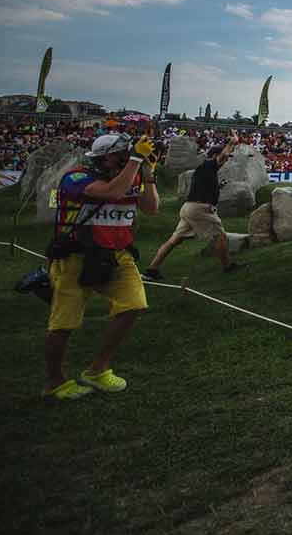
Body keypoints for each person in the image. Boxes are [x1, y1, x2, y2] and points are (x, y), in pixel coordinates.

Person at [42, 133, 160, 400]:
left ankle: (98, 369)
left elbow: (151, 207)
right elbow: (111, 192)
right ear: (107, 156)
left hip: (118, 255)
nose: (126, 158)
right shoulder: (76, 177)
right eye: (122, 154)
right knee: (63, 324)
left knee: (134, 306)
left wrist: (148, 172)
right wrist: (133, 161)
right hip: (75, 257)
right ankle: (55, 382)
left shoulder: (131, 174)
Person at [144, 139, 240, 279]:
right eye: (223, 158)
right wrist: (232, 142)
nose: (226, 161)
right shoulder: (209, 165)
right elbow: (223, 156)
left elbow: (204, 188)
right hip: (200, 209)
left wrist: (218, 187)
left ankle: (151, 270)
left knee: (174, 241)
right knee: (220, 236)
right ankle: (227, 266)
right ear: (214, 156)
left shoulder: (206, 169)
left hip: (189, 209)